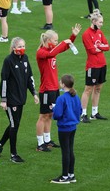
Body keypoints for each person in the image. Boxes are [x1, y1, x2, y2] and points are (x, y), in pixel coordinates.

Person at [36, 24, 82, 152]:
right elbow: (54, 52)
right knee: (43, 116)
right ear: (48, 40)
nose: (56, 43)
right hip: (46, 89)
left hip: (54, 88)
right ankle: (40, 143)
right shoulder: (41, 52)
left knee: (50, 114)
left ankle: (47, 140)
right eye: (55, 40)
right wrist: (62, 43)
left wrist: (73, 36)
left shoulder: (51, 50)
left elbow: (63, 48)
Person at [0, 37, 39, 163]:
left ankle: (0, 144)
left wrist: (34, 93)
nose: (22, 49)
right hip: (11, 99)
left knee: (15, 124)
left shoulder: (25, 58)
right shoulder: (8, 61)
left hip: (21, 98)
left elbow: (29, 77)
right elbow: (4, 80)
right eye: (19, 46)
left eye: (23, 46)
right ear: (13, 48)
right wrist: (3, 99)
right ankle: (13, 154)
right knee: (14, 125)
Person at [51, 75, 82, 184]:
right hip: (73, 127)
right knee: (70, 150)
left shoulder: (61, 98)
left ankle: (64, 176)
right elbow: (80, 110)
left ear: (63, 84)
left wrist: (54, 109)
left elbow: (57, 115)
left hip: (64, 128)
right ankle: (71, 174)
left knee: (65, 151)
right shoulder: (76, 96)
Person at [80, 10, 109, 123]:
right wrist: (101, 47)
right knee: (88, 89)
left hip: (102, 64)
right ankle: (83, 114)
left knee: (98, 89)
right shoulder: (86, 34)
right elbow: (92, 50)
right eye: (100, 22)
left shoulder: (100, 33)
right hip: (92, 66)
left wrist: (99, 47)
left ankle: (94, 113)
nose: (102, 24)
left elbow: (108, 46)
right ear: (94, 21)